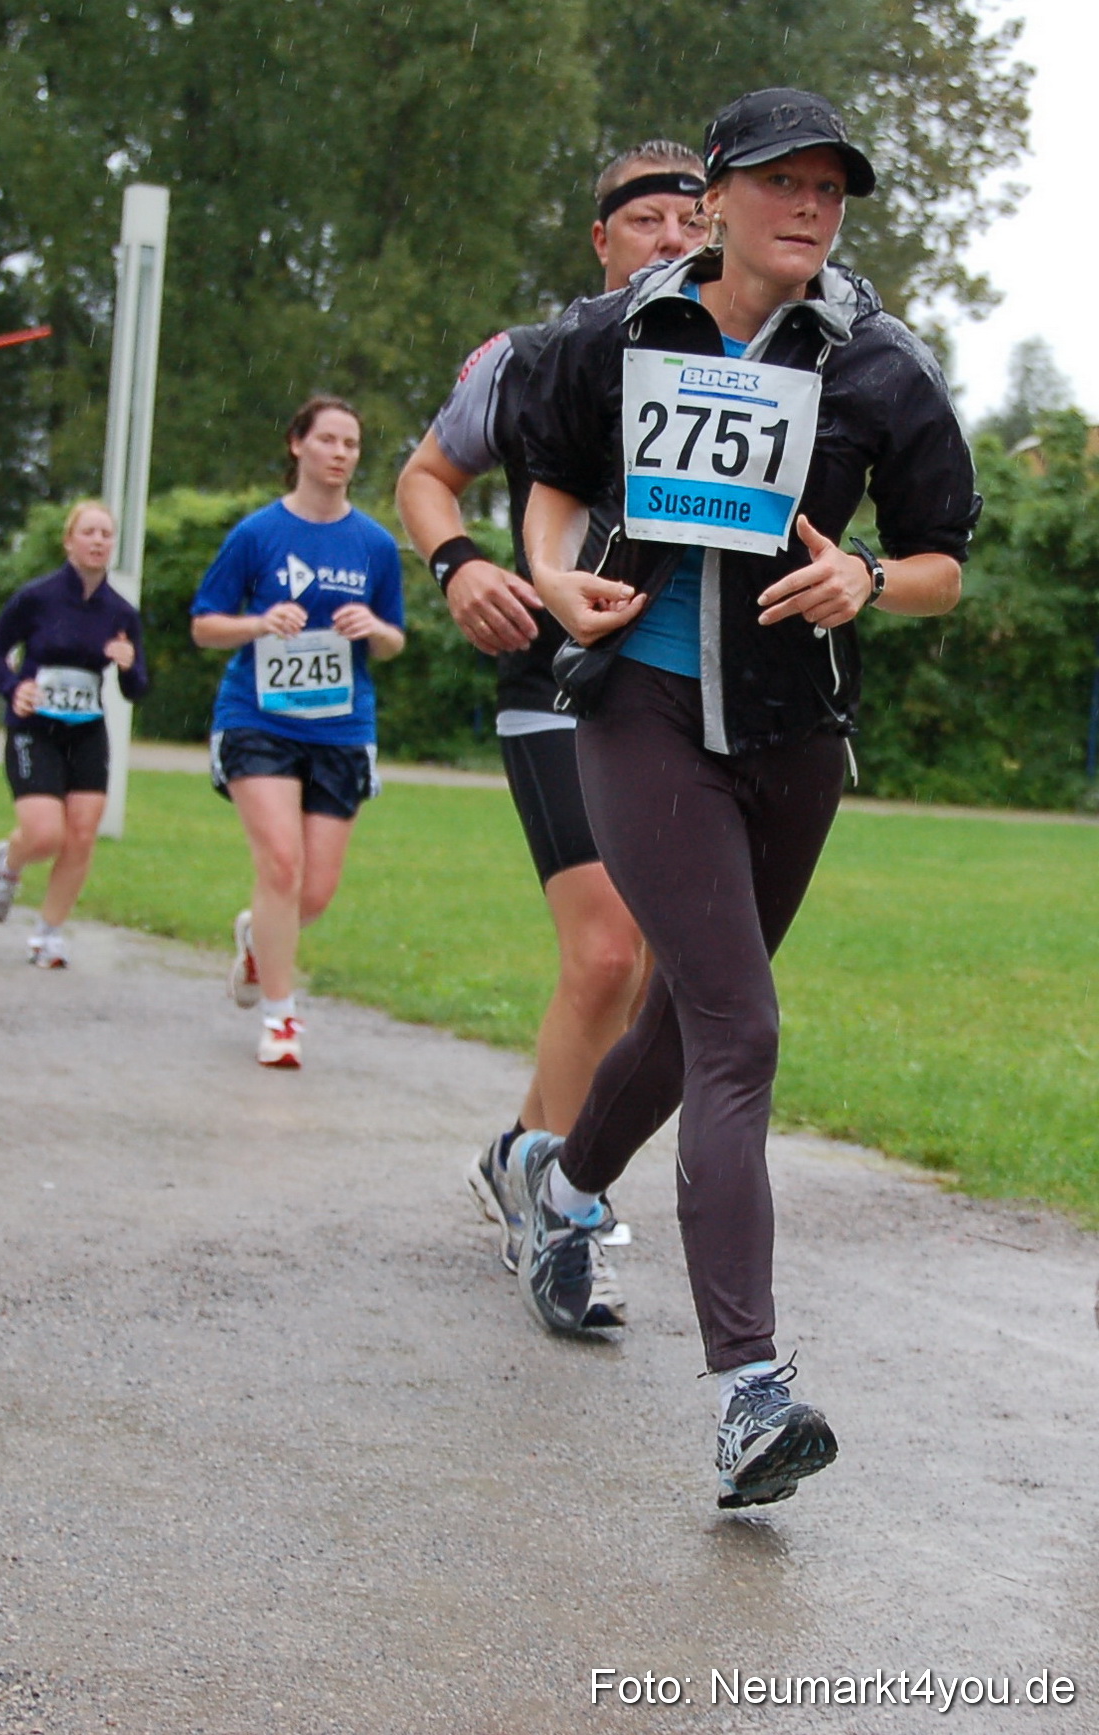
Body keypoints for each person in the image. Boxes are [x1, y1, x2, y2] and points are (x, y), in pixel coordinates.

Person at [514, 87, 980, 1508]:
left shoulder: (881, 366)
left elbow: (943, 560)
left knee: (688, 1015)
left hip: (789, 735)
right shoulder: (612, 335)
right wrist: (548, 576)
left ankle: (560, 1183)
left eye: (831, 192)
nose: (808, 209)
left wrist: (871, 579)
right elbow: (544, 480)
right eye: (782, 182)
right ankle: (748, 1392)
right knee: (739, 1022)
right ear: (711, 195)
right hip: (642, 709)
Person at [396, 141, 706, 1322]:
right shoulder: (530, 358)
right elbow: (427, 473)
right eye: (647, 220)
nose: (674, 238)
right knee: (608, 953)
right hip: (553, 674)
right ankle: (563, 1226)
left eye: (693, 218)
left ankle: (523, 1156)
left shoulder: (753, 361)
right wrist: (459, 561)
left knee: (641, 975)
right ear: (600, 240)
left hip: (679, 690)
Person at [191, 395, 404, 1070]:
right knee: (280, 864)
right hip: (258, 717)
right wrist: (259, 623)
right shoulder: (256, 534)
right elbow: (204, 624)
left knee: (313, 892)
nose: (342, 453)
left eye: (353, 444)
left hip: (340, 726)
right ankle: (281, 1017)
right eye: (330, 440)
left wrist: (375, 631)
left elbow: (394, 638)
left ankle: (260, 938)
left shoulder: (373, 543)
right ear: (297, 445)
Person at [0, 500, 147, 967]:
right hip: (35, 728)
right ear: (69, 541)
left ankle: (48, 935)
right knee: (45, 834)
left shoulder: (121, 612)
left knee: (82, 834)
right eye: (89, 533)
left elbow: (137, 688)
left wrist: (129, 665)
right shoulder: (38, 597)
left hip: (87, 731)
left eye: (106, 534)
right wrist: (14, 688)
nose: (98, 542)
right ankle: (8, 865)